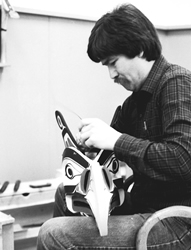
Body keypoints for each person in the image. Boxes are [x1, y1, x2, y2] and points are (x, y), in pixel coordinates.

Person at [37, 3, 191, 249]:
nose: (111, 75)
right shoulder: (134, 103)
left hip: (176, 222)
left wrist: (115, 140)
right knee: (64, 194)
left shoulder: (176, 82)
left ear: (139, 49)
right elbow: (110, 151)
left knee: (52, 233)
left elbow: (183, 158)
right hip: (144, 206)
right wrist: (90, 149)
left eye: (113, 62)